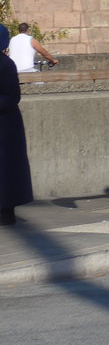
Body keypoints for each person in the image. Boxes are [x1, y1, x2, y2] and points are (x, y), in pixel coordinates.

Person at [0, 25, 34, 226]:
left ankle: (6, 212)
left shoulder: (5, 65)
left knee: (6, 170)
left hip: (5, 126)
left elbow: (12, 96)